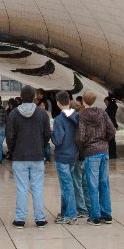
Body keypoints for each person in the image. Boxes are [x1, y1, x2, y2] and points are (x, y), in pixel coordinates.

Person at [6, 84, 51, 229]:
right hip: (37, 156)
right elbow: (46, 135)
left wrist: (12, 151)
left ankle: (20, 219)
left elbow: (10, 137)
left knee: (22, 189)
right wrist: (41, 146)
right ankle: (40, 219)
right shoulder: (42, 113)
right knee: (37, 188)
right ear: (34, 97)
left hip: (20, 156)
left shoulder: (13, 114)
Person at [76, 90, 116, 226]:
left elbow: (81, 136)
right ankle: (107, 214)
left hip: (91, 152)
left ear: (83, 101)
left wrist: (83, 146)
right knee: (104, 183)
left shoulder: (82, 116)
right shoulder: (102, 112)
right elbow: (112, 130)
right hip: (104, 151)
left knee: (92, 185)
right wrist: (104, 141)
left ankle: (95, 216)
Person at [51, 91, 80, 224]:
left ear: (57, 103)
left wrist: (51, 134)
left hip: (62, 156)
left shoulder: (59, 120)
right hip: (74, 154)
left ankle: (71, 215)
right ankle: (64, 212)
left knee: (67, 186)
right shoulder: (77, 117)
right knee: (67, 185)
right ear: (69, 101)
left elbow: (58, 140)